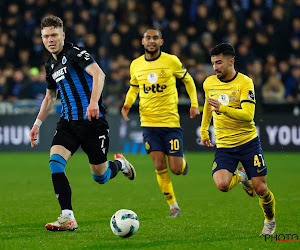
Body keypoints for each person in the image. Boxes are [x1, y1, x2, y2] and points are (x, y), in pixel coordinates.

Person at [29, 15, 136, 232]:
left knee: (101, 177)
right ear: (41, 38)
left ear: (63, 35)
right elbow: (50, 98)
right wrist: (37, 124)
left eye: (54, 35)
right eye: (46, 36)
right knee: (55, 162)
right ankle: (67, 216)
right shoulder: (50, 64)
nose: (50, 39)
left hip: (91, 123)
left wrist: (94, 101)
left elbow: (99, 73)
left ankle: (120, 164)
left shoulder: (74, 53)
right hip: (68, 122)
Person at [121, 28, 200, 218]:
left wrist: (194, 104)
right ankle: (174, 207)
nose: (151, 41)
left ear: (161, 42)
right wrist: (127, 104)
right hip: (148, 123)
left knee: (176, 169)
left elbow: (188, 81)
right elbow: (134, 87)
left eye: (155, 38)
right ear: (142, 42)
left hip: (170, 123)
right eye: (148, 38)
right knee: (158, 165)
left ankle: (182, 163)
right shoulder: (136, 65)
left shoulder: (171, 61)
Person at [200, 43, 276, 235]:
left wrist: (223, 108)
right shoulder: (209, 83)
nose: (215, 67)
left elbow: (248, 115)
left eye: (219, 62)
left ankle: (270, 221)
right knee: (222, 185)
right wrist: (203, 130)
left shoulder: (245, 83)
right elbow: (209, 106)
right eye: (213, 63)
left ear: (231, 61)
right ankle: (242, 176)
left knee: (261, 189)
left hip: (248, 143)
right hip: (225, 146)